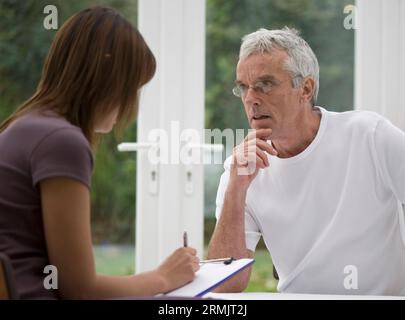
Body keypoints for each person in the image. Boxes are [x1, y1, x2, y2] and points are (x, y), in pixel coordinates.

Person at [0, 6, 199, 299]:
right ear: (110, 81)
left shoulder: (23, 126)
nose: (132, 102)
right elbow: (80, 289)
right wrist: (162, 278)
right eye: (133, 87)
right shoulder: (61, 141)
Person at [207, 27, 405, 296]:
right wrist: (235, 189)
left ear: (306, 88)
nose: (251, 99)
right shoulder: (240, 169)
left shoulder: (370, 135)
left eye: (265, 85)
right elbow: (224, 286)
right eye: (243, 87)